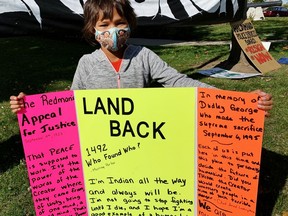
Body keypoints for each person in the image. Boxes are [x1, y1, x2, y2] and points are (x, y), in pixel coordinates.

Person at [10, 0, 273, 116]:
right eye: (104, 25)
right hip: (99, 148)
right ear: (92, 30)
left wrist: (240, 101)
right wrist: (31, 108)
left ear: (130, 24)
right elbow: (69, 103)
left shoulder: (144, 56)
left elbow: (181, 83)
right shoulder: (86, 64)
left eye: (120, 22)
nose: (113, 30)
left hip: (142, 145)